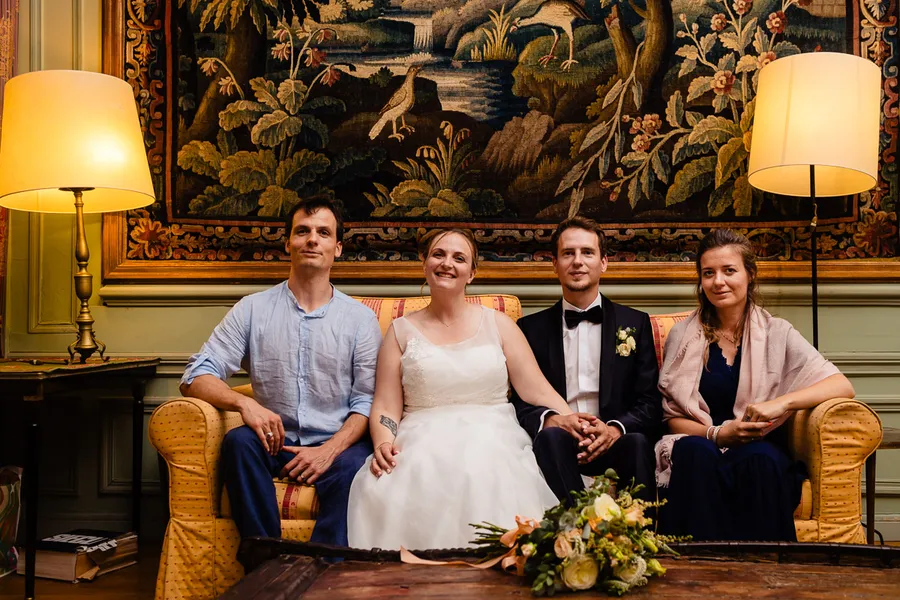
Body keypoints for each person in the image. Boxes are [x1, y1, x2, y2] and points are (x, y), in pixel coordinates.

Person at [347, 229, 581, 550]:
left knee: (479, 469)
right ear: (425, 263)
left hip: (493, 435)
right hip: (420, 436)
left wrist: (573, 421)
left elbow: (535, 389)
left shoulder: (499, 324)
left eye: (459, 258)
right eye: (438, 254)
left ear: (472, 273)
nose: (447, 264)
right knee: (408, 479)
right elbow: (387, 405)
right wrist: (384, 443)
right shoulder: (400, 330)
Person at [180, 198, 383, 547]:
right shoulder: (252, 309)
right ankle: (266, 562)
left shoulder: (360, 320)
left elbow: (366, 400)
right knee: (238, 442)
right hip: (272, 442)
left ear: (337, 248)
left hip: (337, 443)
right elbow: (195, 376)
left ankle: (325, 572)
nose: (312, 240)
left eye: (323, 233)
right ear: (287, 243)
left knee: (355, 466)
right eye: (302, 231)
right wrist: (245, 405)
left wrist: (330, 449)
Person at [655, 229, 855, 541]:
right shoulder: (681, 337)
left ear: (750, 274)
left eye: (729, 270)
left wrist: (782, 403)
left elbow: (841, 385)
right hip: (702, 443)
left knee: (760, 458)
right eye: (708, 273)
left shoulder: (778, 333)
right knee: (694, 452)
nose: (718, 281)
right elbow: (671, 420)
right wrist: (718, 433)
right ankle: (695, 569)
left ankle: (766, 572)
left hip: (757, 449)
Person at [511, 217, 662, 504]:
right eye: (568, 253)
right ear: (554, 263)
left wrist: (614, 428)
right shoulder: (529, 329)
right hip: (559, 442)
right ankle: (577, 529)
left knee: (638, 442)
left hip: (616, 439)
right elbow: (519, 402)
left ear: (603, 262)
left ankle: (643, 540)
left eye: (587, 253)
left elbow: (650, 402)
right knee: (549, 439)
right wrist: (553, 420)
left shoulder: (635, 323)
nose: (577, 261)